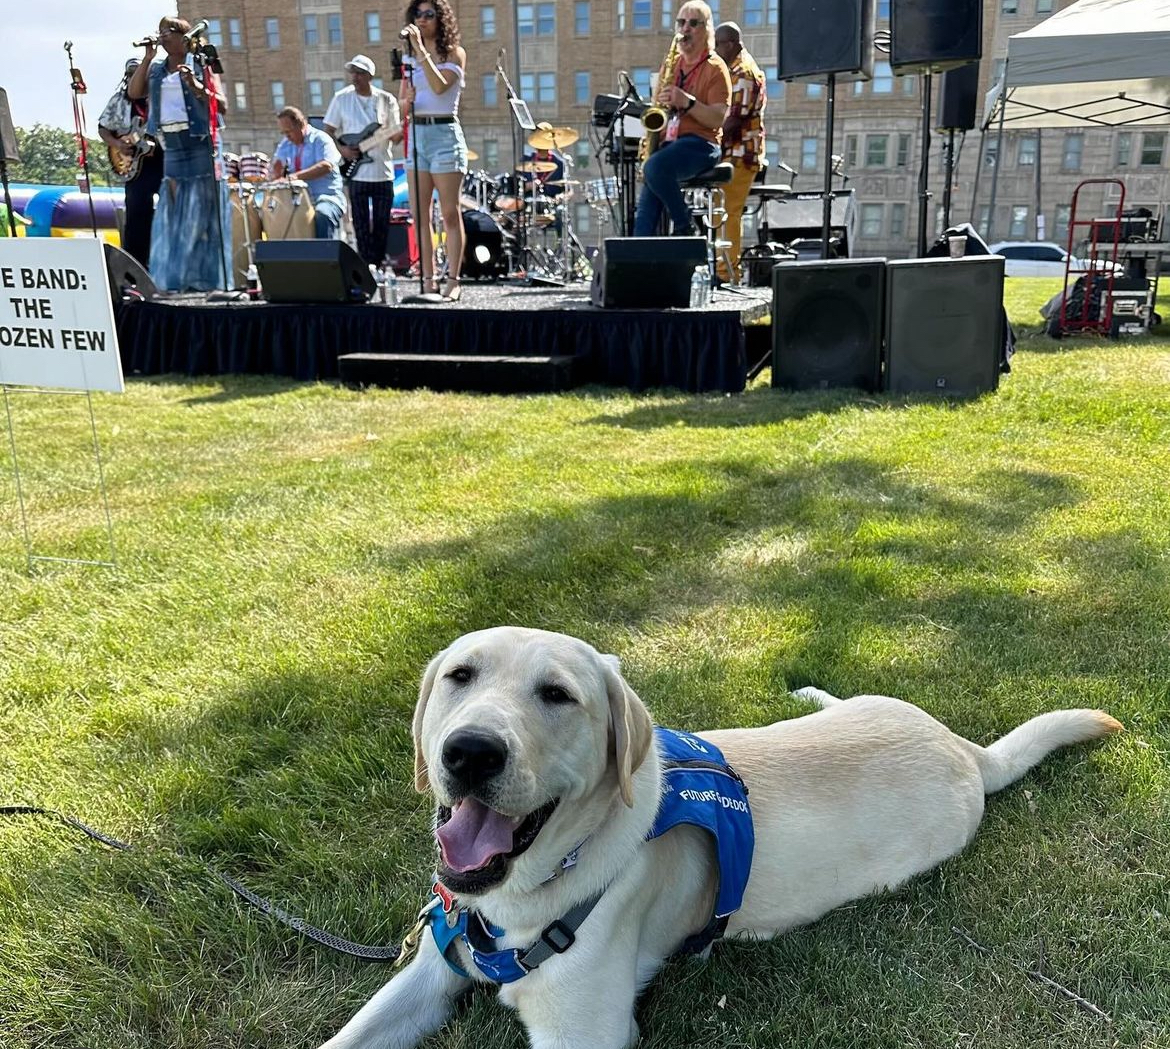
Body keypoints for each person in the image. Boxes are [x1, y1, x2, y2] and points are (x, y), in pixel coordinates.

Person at [127, 16, 232, 292]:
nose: (161, 36)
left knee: (201, 212)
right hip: (172, 146)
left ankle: (205, 280)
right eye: (159, 31)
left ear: (184, 37)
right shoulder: (158, 69)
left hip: (200, 143)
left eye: (167, 31)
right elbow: (134, 92)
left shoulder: (201, 63)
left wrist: (196, 85)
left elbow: (221, 105)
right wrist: (147, 58)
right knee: (174, 211)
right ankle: (174, 279)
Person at [633, 2, 731, 238]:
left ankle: (684, 223)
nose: (685, 28)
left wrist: (687, 102)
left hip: (702, 144)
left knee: (654, 167)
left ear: (707, 29)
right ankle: (637, 263)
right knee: (644, 218)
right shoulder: (671, 64)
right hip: (671, 145)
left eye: (693, 23)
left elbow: (718, 118)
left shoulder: (716, 68)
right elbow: (659, 110)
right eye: (681, 22)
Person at [399, 0, 468, 300]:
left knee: (450, 213)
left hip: (444, 134)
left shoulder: (454, 53)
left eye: (429, 15)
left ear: (441, 19)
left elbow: (440, 88)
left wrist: (421, 51)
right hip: (417, 134)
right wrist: (405, 102)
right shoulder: (410, 58)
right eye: (419, 14)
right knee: (420, 215)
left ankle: (453, 280)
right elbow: (401, 102)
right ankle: (428, 279)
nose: (423, 20)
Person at [323, 55, 403, 265]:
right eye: (353, 73)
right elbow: (329, 130)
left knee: (381, 223)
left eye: (360, 73)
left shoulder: (386, 100)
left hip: (382, 172)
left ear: (370, 76)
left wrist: (401, 128)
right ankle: (366, 263)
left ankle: (377, 263)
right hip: (356, 173)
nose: (355, 77)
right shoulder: (342, 98)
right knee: (359, 224)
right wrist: (342, 150)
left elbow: (395, 137)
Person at [97, 58, 164, 268]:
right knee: (136, 215)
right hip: (135, 168)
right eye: (131, 73)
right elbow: (103, 127)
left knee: (168, 211)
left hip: (163, 160)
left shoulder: (161, 97)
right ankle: (134, 268)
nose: (135, 77)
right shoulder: (120, 100)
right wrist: (118, 143)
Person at [713, 22, 766, 284]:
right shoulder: (731, 69)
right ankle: (722, 269)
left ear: (731, 44)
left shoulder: (743, 72)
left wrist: (706, 137)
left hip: (740, 153)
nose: (714, 49)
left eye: (718, 44)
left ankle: (728, 273)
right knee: (719, 212)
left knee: (729, 212)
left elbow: (732, 120)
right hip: (730, 153)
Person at [270, 107, 347, 240]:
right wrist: (275, 173)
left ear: (301, 124)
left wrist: (294, 177)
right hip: (295, 201)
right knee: (272, 215)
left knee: (322, 214)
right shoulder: (285, 144)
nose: (287, 137)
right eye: (283, 133)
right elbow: (277, 169)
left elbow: (326, 166)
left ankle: (324, 258)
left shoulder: (321, 139)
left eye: (289, 132)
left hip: (326, 198)